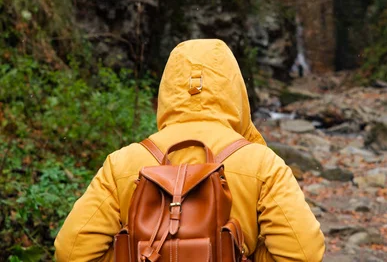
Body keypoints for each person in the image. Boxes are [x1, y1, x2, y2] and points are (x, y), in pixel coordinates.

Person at [54, 39, 325, 261]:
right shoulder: (261, 163)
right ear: (235, 89)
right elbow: (304, 254)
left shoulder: (123, 163)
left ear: (168, 90)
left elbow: (72, 251)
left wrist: (132, 252)